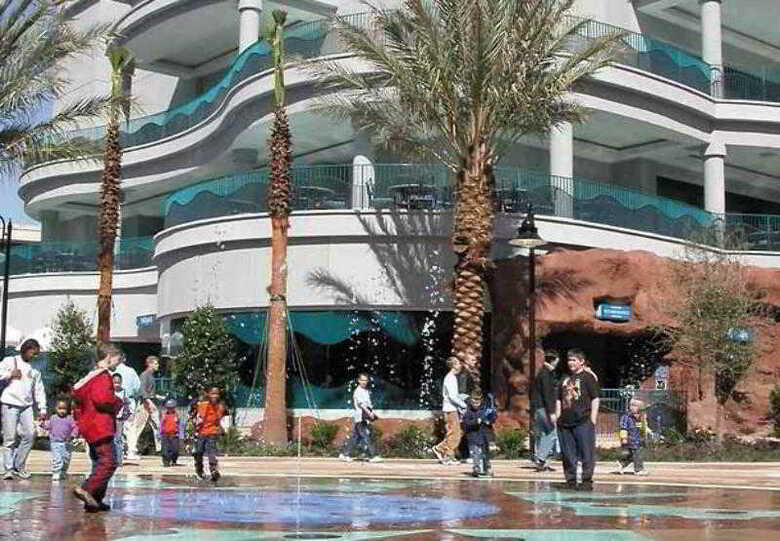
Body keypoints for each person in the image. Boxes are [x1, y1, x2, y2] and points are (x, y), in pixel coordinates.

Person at [71, 343, 123, 512]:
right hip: (101, 426)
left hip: (91, 426)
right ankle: (87, 489)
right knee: (109, 462)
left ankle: (93, 500)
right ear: (109, 357)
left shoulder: (90, 376)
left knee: (99, 463)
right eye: (117, 359)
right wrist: (118, 402)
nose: (118, 363)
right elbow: (102, 399)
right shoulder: (103, 376)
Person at [0, 338, 47, 480]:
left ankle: (18, 465)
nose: (35, 356)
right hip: (10, 403)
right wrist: (10, 374)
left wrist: (42, 408)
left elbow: (39, 389)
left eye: (37, 354)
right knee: (9, 438)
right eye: (33, 353)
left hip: (26, 405)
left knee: (30, 434)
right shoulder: (10, 361)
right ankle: (8, 469)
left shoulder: (35, 369)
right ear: (26, 350)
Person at [555, 348, 600, 491]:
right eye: (569, 360)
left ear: (581, 362)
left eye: (574, 360)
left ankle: (586, 480)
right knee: (568, 453)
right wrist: (557, 415)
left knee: (587, 452)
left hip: (583, 421)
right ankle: (571, 480)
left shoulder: (588, 377)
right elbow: (557, 398)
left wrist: (593, 418)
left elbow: (595, 398)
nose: (570, 363)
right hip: (565, 422)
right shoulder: (564, 378)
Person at [339, 373, 383, 463]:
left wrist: (371, 412)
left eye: (365, 380)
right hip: (360, 417)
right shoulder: (358, 391)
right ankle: (373, 455)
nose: (364, 382)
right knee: (366, 436)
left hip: (363, 417)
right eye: (362, 380)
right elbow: (361, 404)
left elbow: (368, 404)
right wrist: (369, 413)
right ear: (359, 381)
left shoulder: (365, 391)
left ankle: (345, 454)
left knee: (356, 437)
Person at [432, 357, 467, 465]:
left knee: (455, 433)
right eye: (458, 363)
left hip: (452, 409)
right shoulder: (450, 378)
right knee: (454, 433)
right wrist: (463, 405)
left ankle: (444, 451)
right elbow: (452, 396)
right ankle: (445, 453)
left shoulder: (451, 378)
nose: (460, 365)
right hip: (450, 409)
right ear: (453, 366)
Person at [531, 351, 560, 472]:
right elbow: (547, 394)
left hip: (538, 408)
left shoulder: (541, 373)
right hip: (544, 408)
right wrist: (552, 412)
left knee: (543, 434)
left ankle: (542, 463)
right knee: (552, 434)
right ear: (553, 360)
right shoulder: (546, 374)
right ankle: (541, 459)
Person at [110, 351, 140, 462]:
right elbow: (137, 387)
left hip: (113, 405)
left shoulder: (110, 372)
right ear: (124, 359)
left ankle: (115, 452)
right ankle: (131, 452)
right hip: (128, 402)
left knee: (114, 431)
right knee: (130, 429)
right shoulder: (131, 371)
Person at [192, 386, 227, 482]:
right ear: (209, 394)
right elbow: (197, 418)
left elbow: (219, 420)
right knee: (198, 452)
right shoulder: (203, 405)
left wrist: (221, 429)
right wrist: (196, 423)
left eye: (217, 394)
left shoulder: (220, 407)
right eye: (213, 393)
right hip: (201, 432)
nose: (215, 396)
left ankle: (213, 470)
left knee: (211, 451)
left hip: (212, 432)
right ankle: (199, 470)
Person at [461, 390, 496, 477]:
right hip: (473, 437)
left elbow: (492, 418)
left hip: (484, 436)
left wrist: (490, 420)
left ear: (481, 401)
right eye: (473, 402)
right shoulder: (468, 412)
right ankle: (476, 468)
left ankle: (487, 468)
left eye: (477, 402)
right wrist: (476, 421)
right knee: (476, 453)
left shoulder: (484, 410)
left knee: (485, 454)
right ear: (470, 401)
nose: (475, 404)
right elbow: (466, 423)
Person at [134, 355, 163, 455]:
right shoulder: (144, 375)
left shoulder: (151, 376)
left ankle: (159, 449)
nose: (157, 365)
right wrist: (149, 402)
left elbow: (149, 391)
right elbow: (142, 390)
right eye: (155, 363)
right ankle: (132, 447)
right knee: (138, 426)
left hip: (151, 402)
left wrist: (157, 397)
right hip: (145, 404)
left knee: (157, 425)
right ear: (150, 364)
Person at [46, 397, 79, 481]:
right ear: (56, 408)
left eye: (64, 409)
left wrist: (73, 435)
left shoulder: (69, 418)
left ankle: (63, 471)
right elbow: (48, 426)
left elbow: (75, 427)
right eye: (60, 408)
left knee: (66, 459)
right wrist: (43, 424)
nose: (62, 411)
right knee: (57, 458)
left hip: (67, 443)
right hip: (55, 442)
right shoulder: (53, 418)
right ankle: (56, 472)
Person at [617, 398, 649, 476]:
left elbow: (644, 427)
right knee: (638, 454)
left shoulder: (641, 417)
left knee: (633, 455)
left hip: (639, 440)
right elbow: (623, 428)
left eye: (635, 406)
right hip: (631, 439)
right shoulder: (627, 417)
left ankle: (622, 463)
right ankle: (638, 469)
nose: (633, 407)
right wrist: (624, 438)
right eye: (632, 405)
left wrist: (647, 433)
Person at [112, 373, 131, 467]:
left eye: (118, 382)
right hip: (110, 418)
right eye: (115, 382)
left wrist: (127, 413)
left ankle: (119, 460)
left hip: (119, 419)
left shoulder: (124, 392)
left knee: (118, 439)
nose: (117, 385)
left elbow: (128, 404)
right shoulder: (109, 392)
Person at [160, 398, 183, 467]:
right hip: (165, 435)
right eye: (168, 408)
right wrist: (160, 434)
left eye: (171, 408)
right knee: (165, 449)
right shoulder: (164, 415)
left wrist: (181, 435)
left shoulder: (177, 415)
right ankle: (166, 462)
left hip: (174, 435)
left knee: (175, 450)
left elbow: (180, 425)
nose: (170, 409)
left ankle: (173, 460)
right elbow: (161, 425)